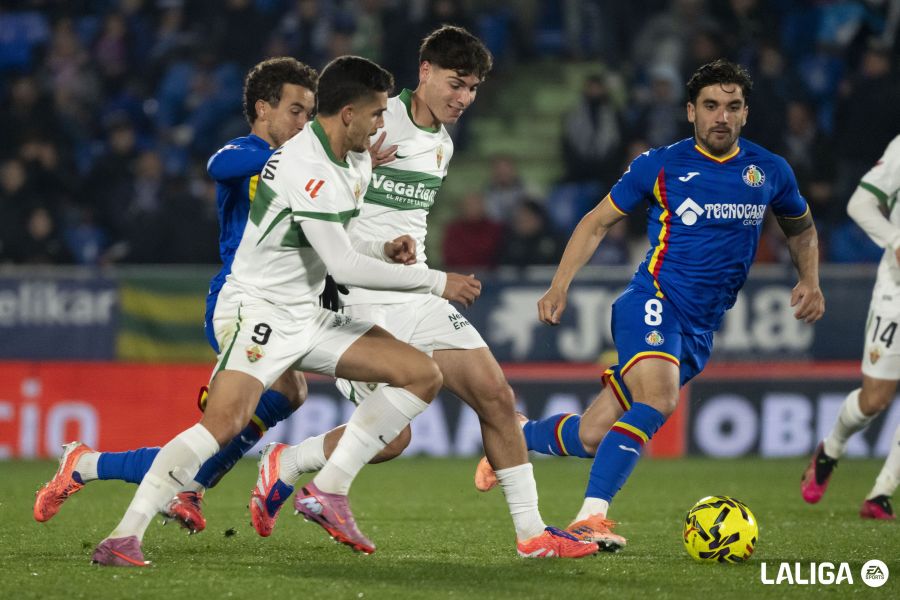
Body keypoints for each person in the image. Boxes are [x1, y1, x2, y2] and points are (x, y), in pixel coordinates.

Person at [89, 54, 484, 566]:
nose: (385, 125)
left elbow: (340, 247)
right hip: (261, 309)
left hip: (309, 312)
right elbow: (341, 265)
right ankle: (124, 535)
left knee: (420, 374)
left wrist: (385, 251)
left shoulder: (359, 160)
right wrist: (436, 281)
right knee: (222, 425)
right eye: (377, 114)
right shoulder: (304, 165)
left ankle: (328, 490)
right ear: (347, 114)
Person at [248, 26, 599, 560]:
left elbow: (402, 217)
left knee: (498, 399)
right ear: (425, 72)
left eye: (474, 88)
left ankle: (533, 535)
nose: (464, 98)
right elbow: (302, 170)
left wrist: (408, 256)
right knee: (392, 441)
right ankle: (289, 464)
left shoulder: (443, 145)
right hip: (353, 294)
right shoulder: (372, 119)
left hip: (413, 292)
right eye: (456, 83)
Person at [476, 59, 825, 550]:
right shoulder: (659, 165)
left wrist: (810, 279)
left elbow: (801, 227)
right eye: (710, 106)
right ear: (690, 111)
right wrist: (559, 286)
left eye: (732, 107)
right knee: (658, 400)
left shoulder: (769, 171)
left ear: (745, 114)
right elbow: (596, 222)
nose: (721, 116)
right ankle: (590, 518)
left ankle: (515, 437)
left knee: (591, 437)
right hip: (652, 302)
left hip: (699, 328)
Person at [33, 56, 321, 533]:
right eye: (295, 110)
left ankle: (99, 467)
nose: (304, 123)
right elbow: (217, 163)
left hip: (278, 301)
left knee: (288, 393)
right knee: (230, 421)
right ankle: (118, 471)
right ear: (263, 109)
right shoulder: (247, 152)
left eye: (310, 113)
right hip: (238, 301)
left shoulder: (305, 170)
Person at [800, 134, 900, 520]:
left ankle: (880, 494)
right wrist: (894, 241)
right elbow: (860, 203)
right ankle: (831, 449)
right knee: (874, 400)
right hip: (895, 292)